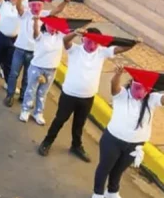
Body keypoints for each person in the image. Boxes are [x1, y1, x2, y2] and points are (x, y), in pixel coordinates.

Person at [37, 28, 134, 160]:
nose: (92, 45)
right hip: (69, 95)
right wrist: (75, 33)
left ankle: (76, 146)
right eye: (89, 41)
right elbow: (65, 40)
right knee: (59, 120)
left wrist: (134, 42)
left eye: (95, 42)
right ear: (83, 39)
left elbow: (121, 48)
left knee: (79, 124)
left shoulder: (102, 53)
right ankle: (47, 142)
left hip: (88, 97)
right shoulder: (75, 50)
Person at [92, 65, 163, 198]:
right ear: (131, 85)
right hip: (113, 139)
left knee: (119, 170)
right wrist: (117, 75)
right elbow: (114, 86)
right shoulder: (122, 95)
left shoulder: (151, 99)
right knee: (105, 167)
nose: (141, 92)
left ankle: (112, 192)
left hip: (135, 144)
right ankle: (97, 194)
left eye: (145, 90)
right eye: (138, 88)